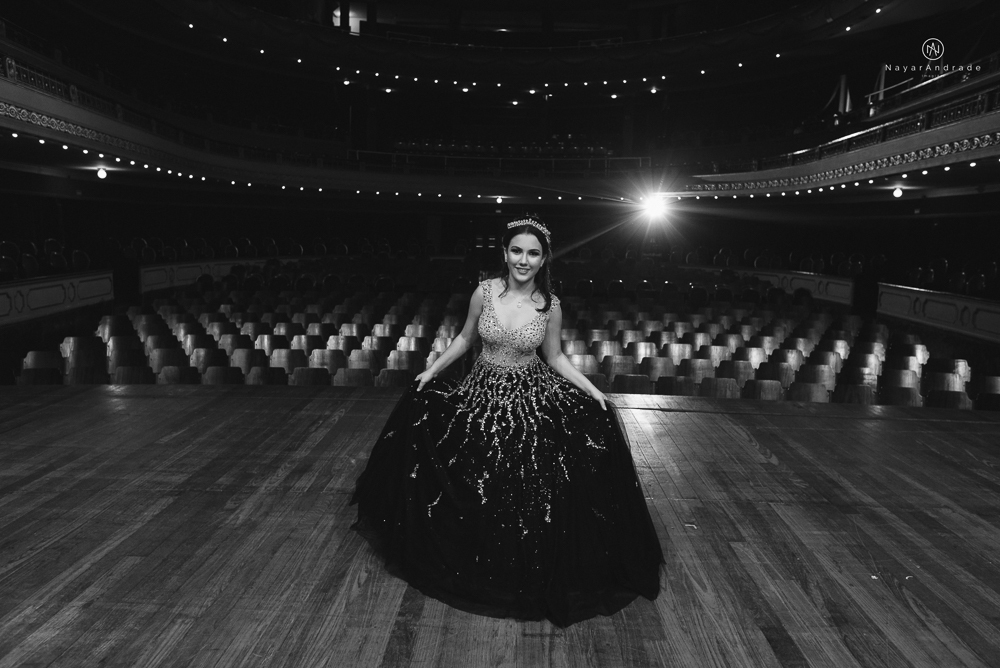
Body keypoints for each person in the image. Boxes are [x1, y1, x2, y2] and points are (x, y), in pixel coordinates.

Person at [351, 217, 663, 627]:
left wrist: (593, 391)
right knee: (470, 473)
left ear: (544, 258)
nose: (524, 259)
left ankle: (514, 567)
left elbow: (555, 358)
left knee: (530, 480)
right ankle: (472, 557)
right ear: (504, 253)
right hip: (480, 391)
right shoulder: (484, 291)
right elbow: (464, 339)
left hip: (530, 395)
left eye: (533, 253)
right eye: (517, 250)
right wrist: (432, 371)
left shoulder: (549, 305)